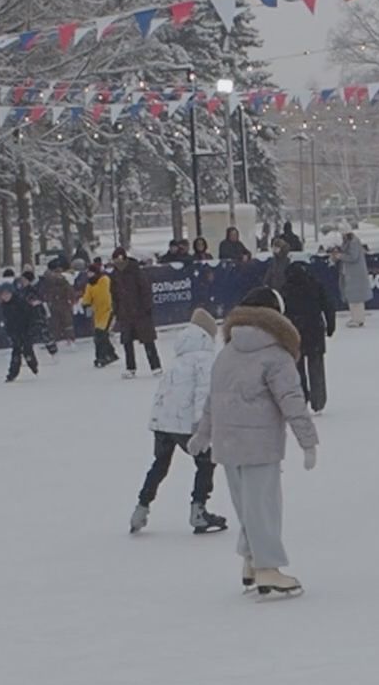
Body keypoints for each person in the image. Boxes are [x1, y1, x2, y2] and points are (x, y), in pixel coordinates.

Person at [188, 288, 319, 597]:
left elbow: (213, 401)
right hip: (259, 444)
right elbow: (292, 400)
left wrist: (203, 434)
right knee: (263, 508)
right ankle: (267, 569)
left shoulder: (228, 352)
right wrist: (308, 441)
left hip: (228, 444)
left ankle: (251, 561)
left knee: (247, 508)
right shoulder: (275, 354)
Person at [132, 308, 227, 536]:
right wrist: (200, 425)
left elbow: (164, 392)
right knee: (206, 461)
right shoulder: (204, 359)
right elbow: (204, 394)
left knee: (160, 464)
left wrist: (157, 421)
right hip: (185, 423)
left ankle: (141, 508)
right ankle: (199, 510)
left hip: (163, 422)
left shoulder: (180, 357)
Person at [278, 245, 337, 413]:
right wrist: (330, 326)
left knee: (297, 369)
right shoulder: (315, 284)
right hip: (315, 331)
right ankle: (319, 400)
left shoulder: (286, 289)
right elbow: (328, 306)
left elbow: (279, 313)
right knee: (316, 366)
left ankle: (302, 397)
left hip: (294, 333)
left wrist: (279, 334)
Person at [111, 249, 160, 377]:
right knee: (127, 342)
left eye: (119, 260)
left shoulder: (136, 272)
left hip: (140, 312)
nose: (117, 263)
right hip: (125, 314)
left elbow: (145, 291)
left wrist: (146, 307)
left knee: (148, 341)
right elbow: (114, 294)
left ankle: (156, 366)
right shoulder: (115, 274)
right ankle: (130, 368)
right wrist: (116, 310)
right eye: (115, 261)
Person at [0, 283, 40, 382]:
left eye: (7, 294)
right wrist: (9, 331)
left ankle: (33, 365)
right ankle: (12, 374)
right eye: (3, 295)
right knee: (16, 353)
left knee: (27, 350)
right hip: (15, 333)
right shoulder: (4, 306)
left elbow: (30, 315)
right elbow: (7, 320)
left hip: (25, 330)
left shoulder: (20, 302)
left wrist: (31, 329)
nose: (5, 296)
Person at [81, 261, 119, 368]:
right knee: (100, 335)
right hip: (98, 313)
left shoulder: (104, 280)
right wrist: (86, 304)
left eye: (91, 273)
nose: (89, 275)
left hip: (108, 311)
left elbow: (106, 295)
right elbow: (87, 297)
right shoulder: (90, 284)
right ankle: (110, 354)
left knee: (100, 335)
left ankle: (101, 356)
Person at [335, 229, 372, 328]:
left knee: (356, 299)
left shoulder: (354, 242)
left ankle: (358, 319)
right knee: (353, 299)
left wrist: (340, 256)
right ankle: (356, 317)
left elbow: (353, 257)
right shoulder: (349, 242)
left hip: (355, 274)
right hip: (351, 274)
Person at [39, 259, 78, 351]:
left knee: (56, 322)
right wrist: (72, 300)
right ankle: (68, 339)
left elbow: (44, 292)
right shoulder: (64, 280)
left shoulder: (48, 281)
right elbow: (70, 291)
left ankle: (58, 339)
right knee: (65, 322)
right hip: (62, 304)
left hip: (55, 304)